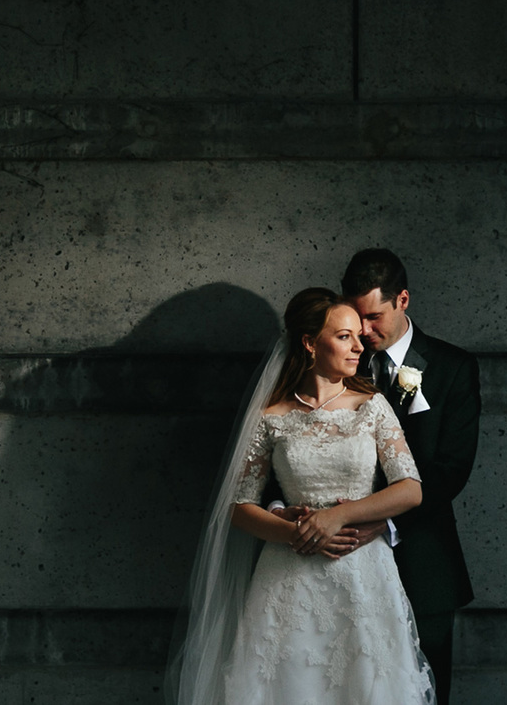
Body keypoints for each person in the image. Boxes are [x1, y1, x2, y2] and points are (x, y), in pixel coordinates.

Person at [166, 287, 437, 705]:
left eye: (357, 336)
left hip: (362, 573)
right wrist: (293, 531)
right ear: (311, 343)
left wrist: (336, 518)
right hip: (289, 575)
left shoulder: (373, 406)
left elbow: (411, 489)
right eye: (344, 336)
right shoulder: (271, 418)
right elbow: (238, 507)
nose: (358, 344)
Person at [342, 249, 479, 705]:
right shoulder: (341, 363)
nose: (363, 331)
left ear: (403, 300)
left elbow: (451, 469)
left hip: (424, 561)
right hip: (344, 566)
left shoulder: (453, 367)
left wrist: (387, 521)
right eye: (356, 318)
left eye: (374, 316)